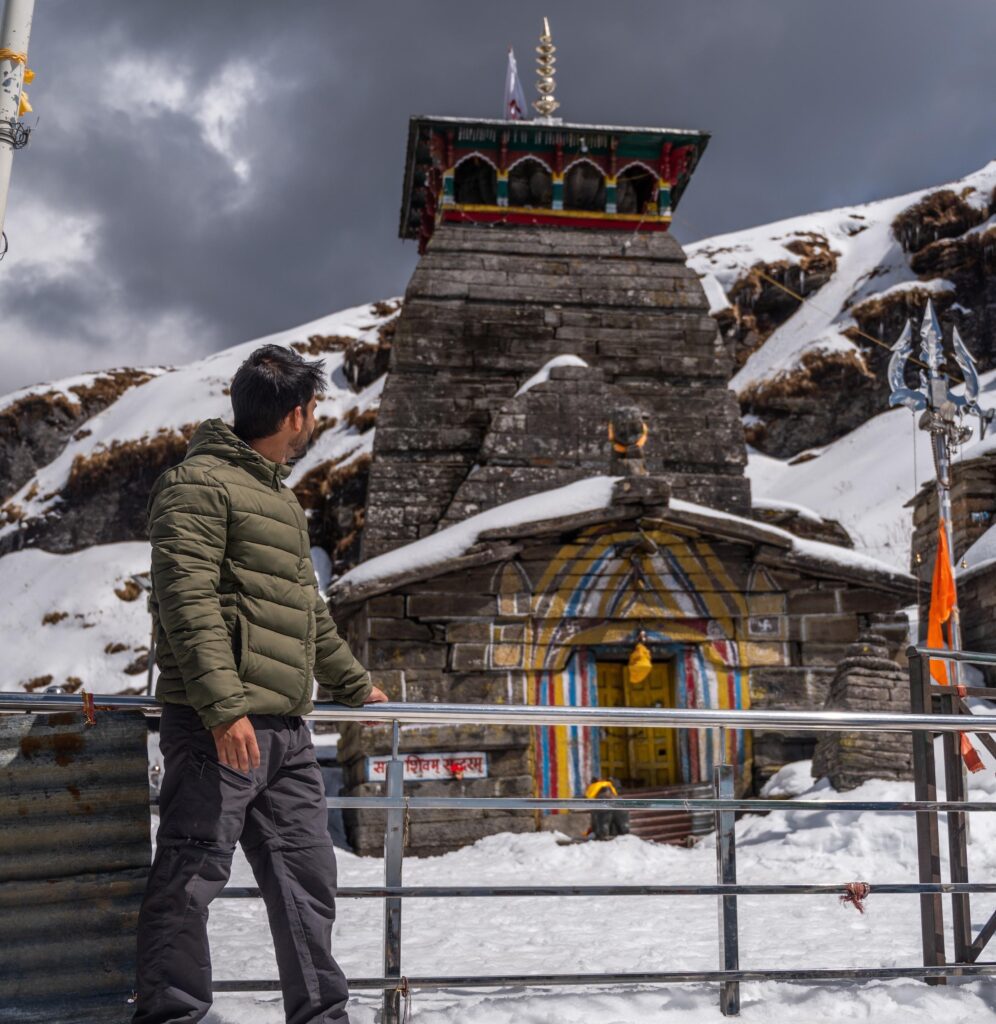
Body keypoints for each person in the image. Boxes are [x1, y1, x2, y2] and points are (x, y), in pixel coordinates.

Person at [132, 344, 388, 1024]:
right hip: (220, 726)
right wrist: (223, 709)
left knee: (309, 882)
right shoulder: (197, 485)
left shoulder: (278, 499)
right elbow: (184, 603)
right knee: (190, 881)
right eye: (311, 415)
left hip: (287, 733)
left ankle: (322, 1018)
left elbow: (307, 614)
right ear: (296, 417)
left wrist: (355, 687)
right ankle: (173, 1017)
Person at [585, 776, 630, 840]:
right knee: (624, 829)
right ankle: (626, 841)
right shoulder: (610, 785)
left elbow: (588, 797)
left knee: (602, 829)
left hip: (602, 804)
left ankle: (603, 840)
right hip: (619, 803)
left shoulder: (593, 787)